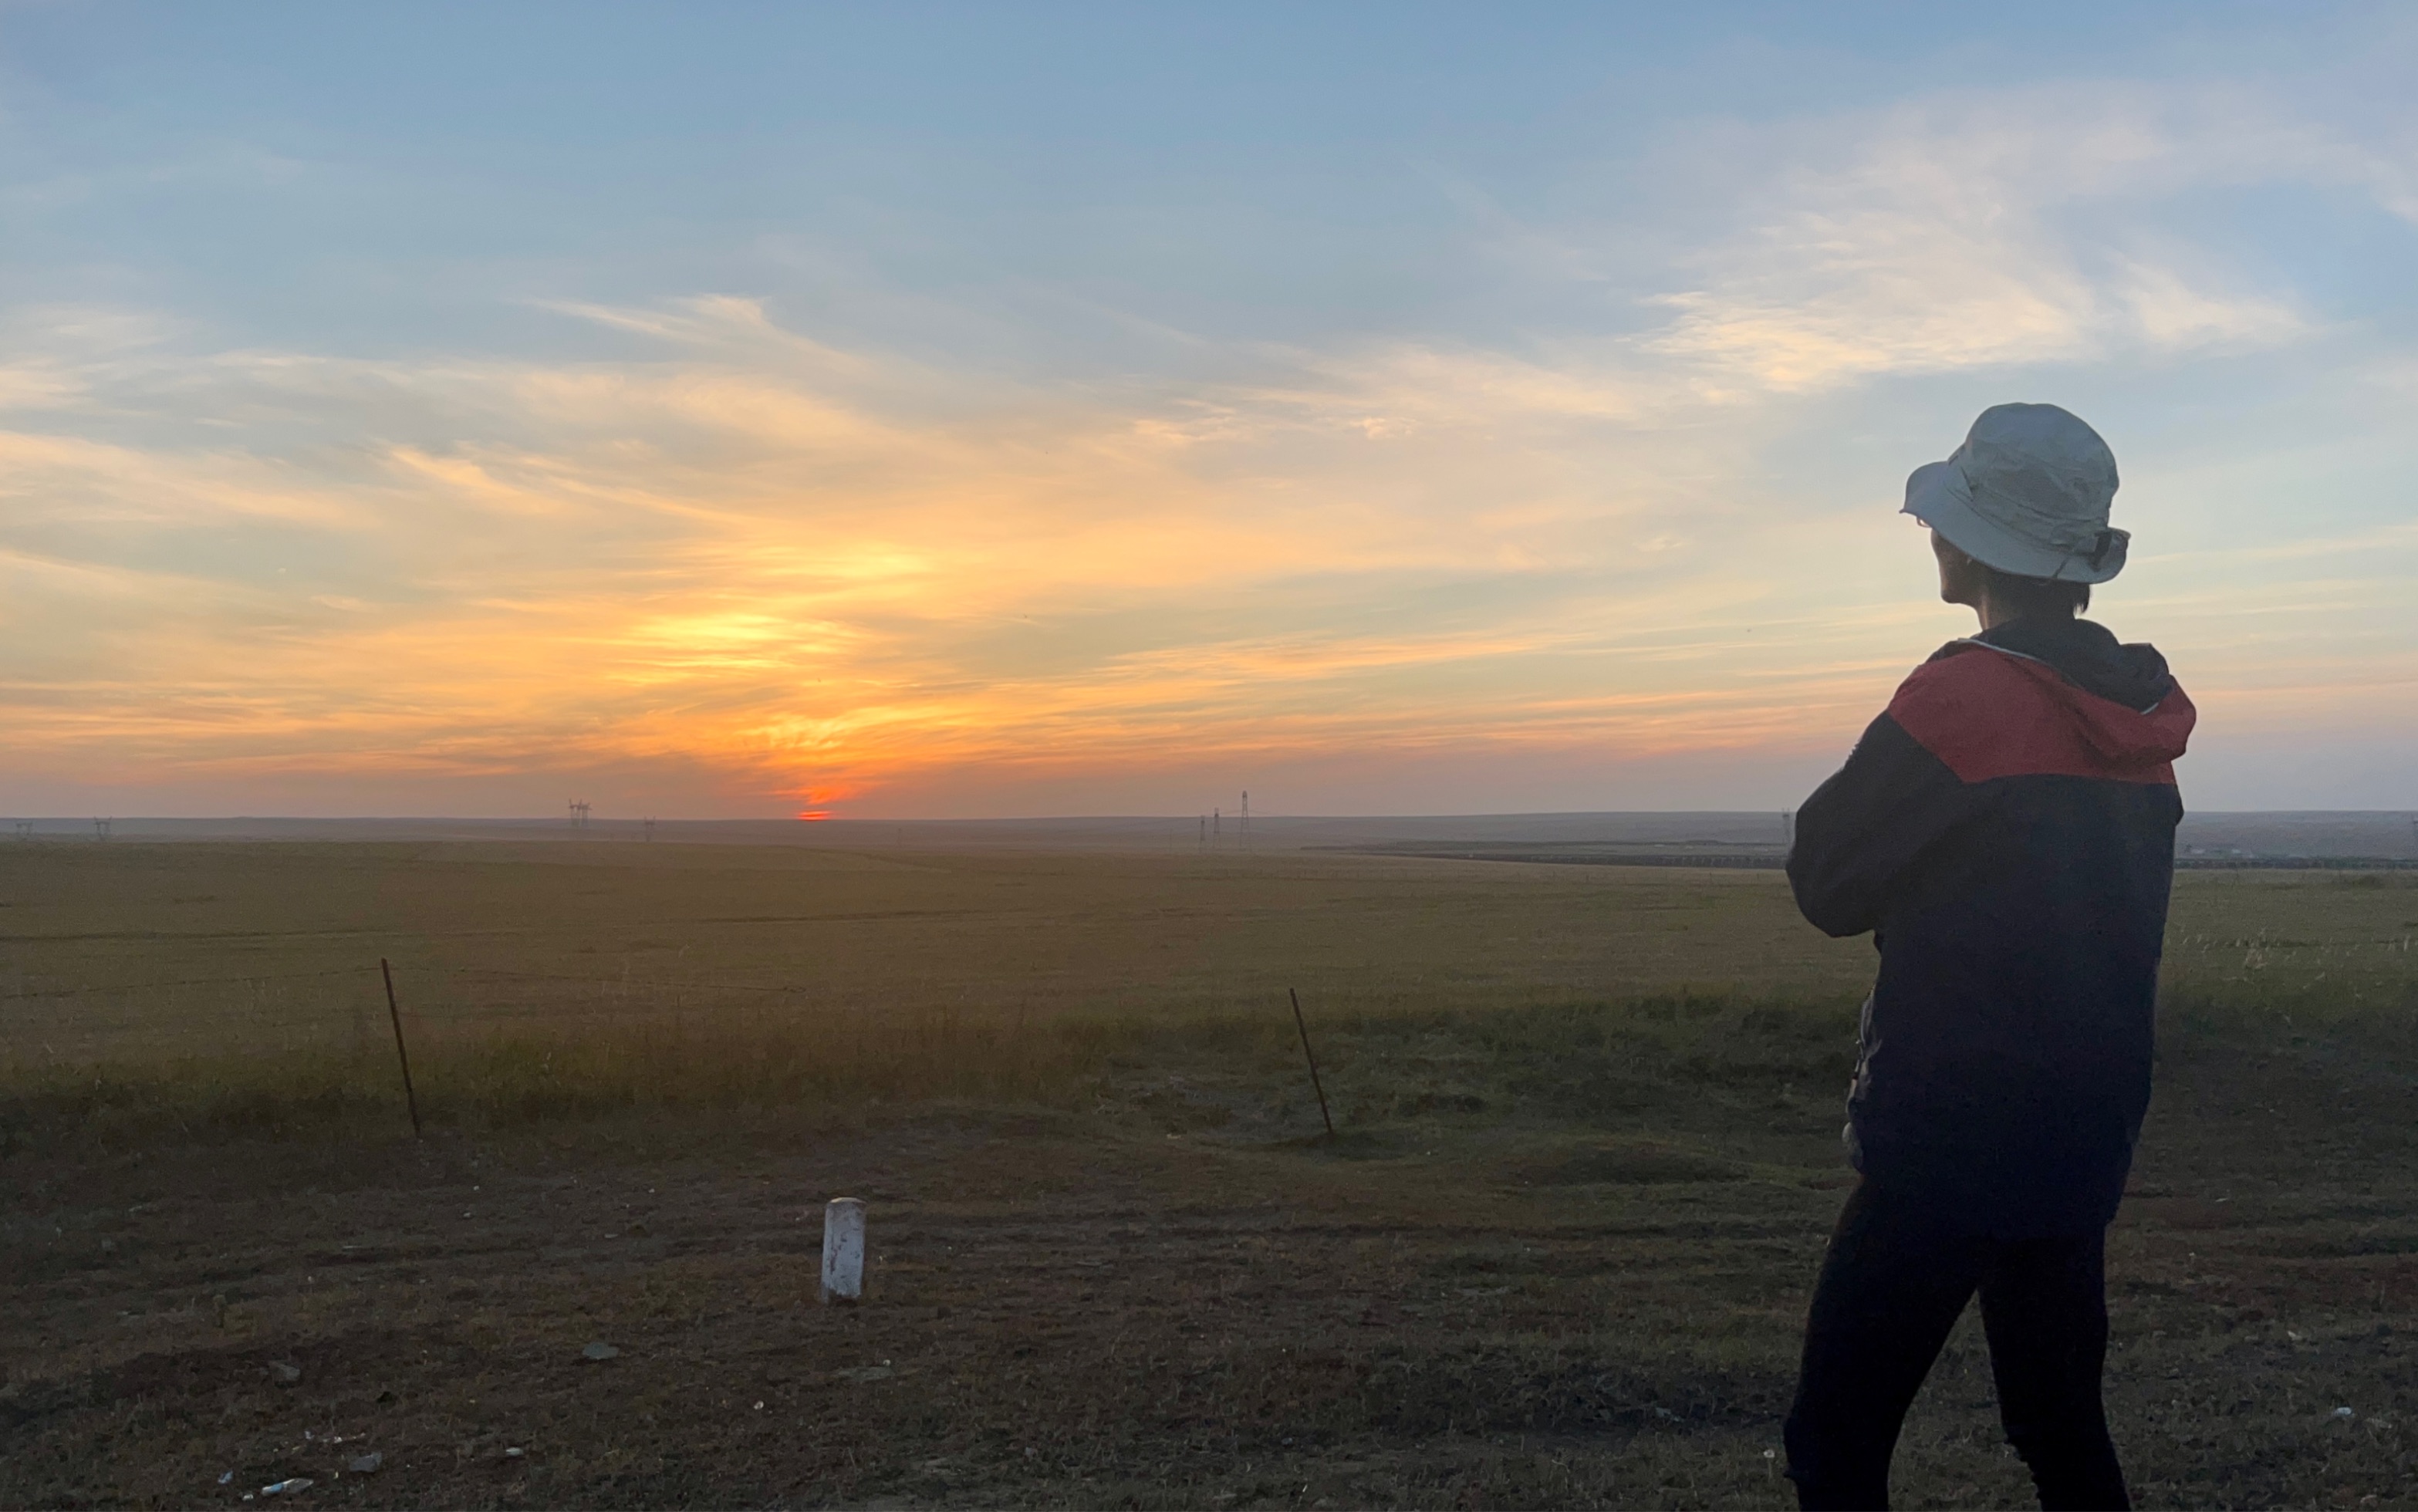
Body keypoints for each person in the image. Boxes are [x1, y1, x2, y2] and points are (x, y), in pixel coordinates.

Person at [1781, 403, 2196, 1510]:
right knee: (2058, 1424)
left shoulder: (1965, 694)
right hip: (2082, 1126)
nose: (1930, 537)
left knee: (1833, 1443)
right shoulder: (2138, 712)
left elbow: (1824, 881)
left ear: (1967, 544)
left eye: (1940, 520)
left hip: (1949, 1131)